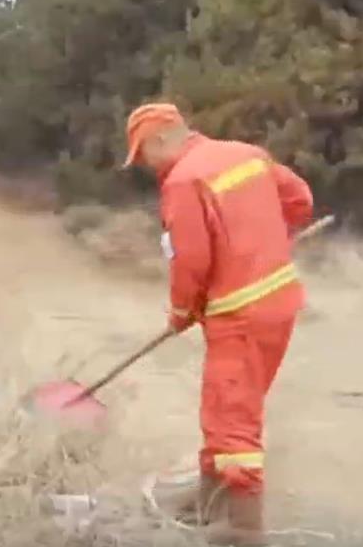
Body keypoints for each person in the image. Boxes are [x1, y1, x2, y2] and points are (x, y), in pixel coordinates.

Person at [123, 103, 314, 546]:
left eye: (143, 156)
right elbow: (299, 200)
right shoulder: (247, 154)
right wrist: (262, 236)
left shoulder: (184, 180)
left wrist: (180, 311)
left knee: (232, 420)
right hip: (279, 304)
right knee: (224, 406)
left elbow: (191, 260)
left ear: (158, 139)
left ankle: (244, 531)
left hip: (240, 314)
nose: (146, 167)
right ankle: (209, 505)